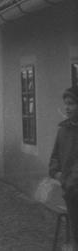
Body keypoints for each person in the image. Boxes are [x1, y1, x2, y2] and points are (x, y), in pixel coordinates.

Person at [49, 85, 78, 246]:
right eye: (66, 103)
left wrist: (68, 180)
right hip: (70, 192)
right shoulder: (63, 130)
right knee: (75, 233)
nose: (67, 108)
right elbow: (54, 158)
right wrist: (57, 173)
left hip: (74, 187)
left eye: (72, 103)